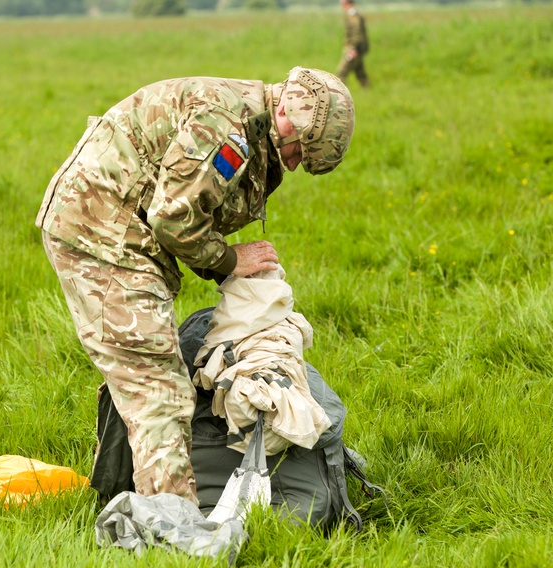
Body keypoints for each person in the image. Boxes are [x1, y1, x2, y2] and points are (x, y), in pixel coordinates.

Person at [35, 68, 354, 505]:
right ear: (286, 113)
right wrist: (229, 260)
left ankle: (124, 492)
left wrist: (227, 266)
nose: (296, 163)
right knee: (157, 391)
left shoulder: (251, 122)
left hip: (121, 232)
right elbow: (173, 219)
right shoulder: (228, 127)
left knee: (147, 374)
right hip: (102, 235)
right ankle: (172, 532)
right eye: (301, 149)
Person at [336, 0, 370, 89]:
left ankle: (342, 95)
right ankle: (368, 92)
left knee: (341, 73)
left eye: (342, 4)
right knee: (360, 74)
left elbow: (357, 34)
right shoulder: (355, 14)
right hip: (357, 50)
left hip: (353, 50)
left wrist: (353, 49)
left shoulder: (353, 15)